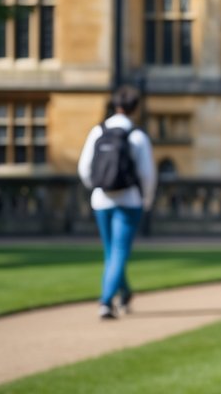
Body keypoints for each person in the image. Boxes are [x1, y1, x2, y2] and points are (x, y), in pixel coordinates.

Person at [76, 85, 156, 320]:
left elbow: (84, 168)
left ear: (115, 106)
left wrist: (97, 187)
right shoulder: (137, 136)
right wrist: (147, 200)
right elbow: (148, 174)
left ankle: (126, 292)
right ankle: (106, 301)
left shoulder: (97, 132)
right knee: (119, 252)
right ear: (135, 108)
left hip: (101, 200)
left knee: (111, 251)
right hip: (129, 200)